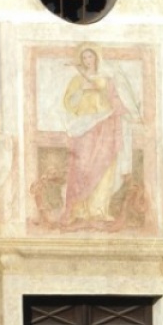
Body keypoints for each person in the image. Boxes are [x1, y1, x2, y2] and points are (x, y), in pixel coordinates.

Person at [61, 47, 139, 224]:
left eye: (90, 57)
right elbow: (69, 103)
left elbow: (115, 99)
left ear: (96, 58)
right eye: (84, 57)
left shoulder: (107, 79)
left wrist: (129, 114)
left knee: (105, 165)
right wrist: (81, 90)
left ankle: (99, 209)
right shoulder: (77, 80)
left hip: (105, 124)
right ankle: (79, 209)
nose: (88, 60)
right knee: (82, 166)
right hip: (84, 127)